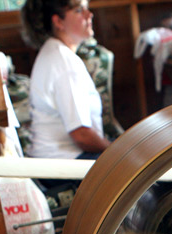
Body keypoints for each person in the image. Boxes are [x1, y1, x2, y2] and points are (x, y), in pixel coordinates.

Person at [21, 0, 110, 160]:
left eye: (87, 9)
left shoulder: (54, 51)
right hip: (64, 163)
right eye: (78, 10)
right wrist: (119, 152)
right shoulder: (63, 61)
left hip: (58, 160)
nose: (89, 15)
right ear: (58, 22)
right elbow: (82, 135)